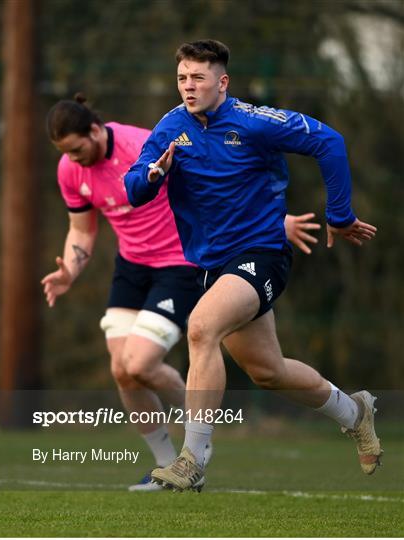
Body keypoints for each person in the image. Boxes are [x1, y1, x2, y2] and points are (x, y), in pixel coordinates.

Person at [124, 39, 382, 492]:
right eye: (183, 77)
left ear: (222, 82)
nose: (189, 86)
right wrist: (150, 176)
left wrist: (338, 214)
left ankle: (193, 458)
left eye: (198, 78)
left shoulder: (253, 122)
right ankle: (355, 411)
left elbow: (329, 142)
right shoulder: (170, 127)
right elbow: (133, 189)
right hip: (213, 266)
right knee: (269, 372)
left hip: (262, 254)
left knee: (202, 327)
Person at [41, 94, 317, 491]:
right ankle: (167, 467)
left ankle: (198, 438)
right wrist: (70, 271)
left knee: (140, 362)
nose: (74, 159)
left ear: (96, 130)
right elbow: (82, 230)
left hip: (177, 264)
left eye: (78, 149)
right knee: (124, 371)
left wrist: (276, 220)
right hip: (131, 267)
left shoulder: (146, 143)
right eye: (66, 153)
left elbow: (216, 181)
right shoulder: (69, 169)